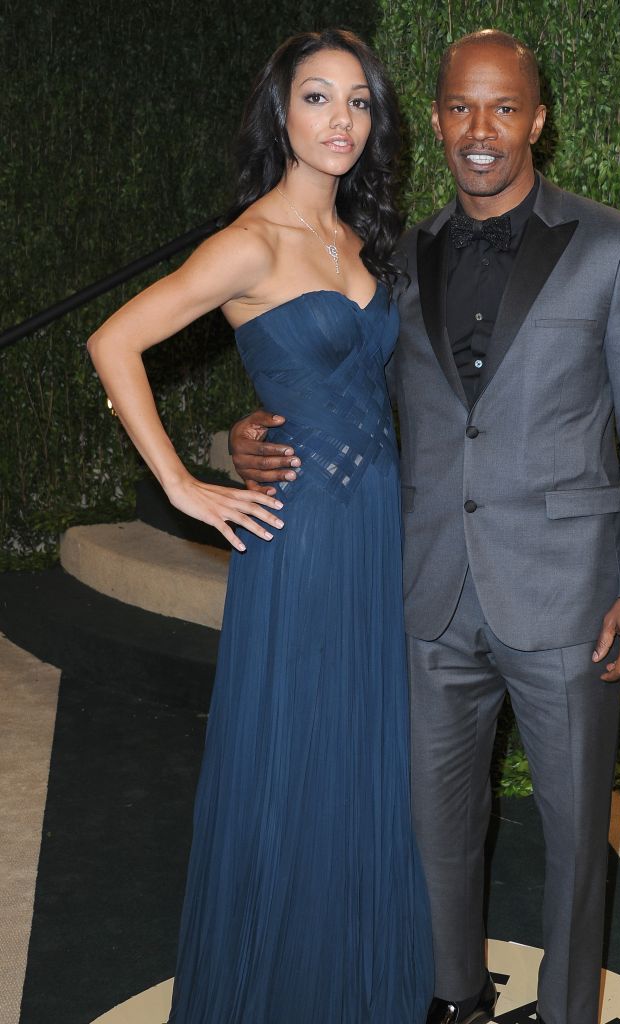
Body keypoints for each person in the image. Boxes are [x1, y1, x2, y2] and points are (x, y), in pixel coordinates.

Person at [229, 29, 620, 1024]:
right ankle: (453, 998)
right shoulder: (396, 257)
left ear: (537, 119)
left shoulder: (614, 246)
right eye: (460, 109)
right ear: (434, 120)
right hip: (427, 590)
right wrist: (243, 433)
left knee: (572, 837)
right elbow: (336, 384)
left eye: (503, 108)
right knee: (436, 824)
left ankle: (566, 1012)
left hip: (568, 595)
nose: (481, 130)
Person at [87, 28, 433, 1024]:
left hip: (374, 528)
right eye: (318, 98)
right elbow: (115, 342)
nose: (341, 120)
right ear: (281, 112)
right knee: (294, 754)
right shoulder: (250, 241)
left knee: (361, 761)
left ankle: (354, 986)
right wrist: (186, 487)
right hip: (303, 534)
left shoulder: (361, 241)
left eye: (359, 101)